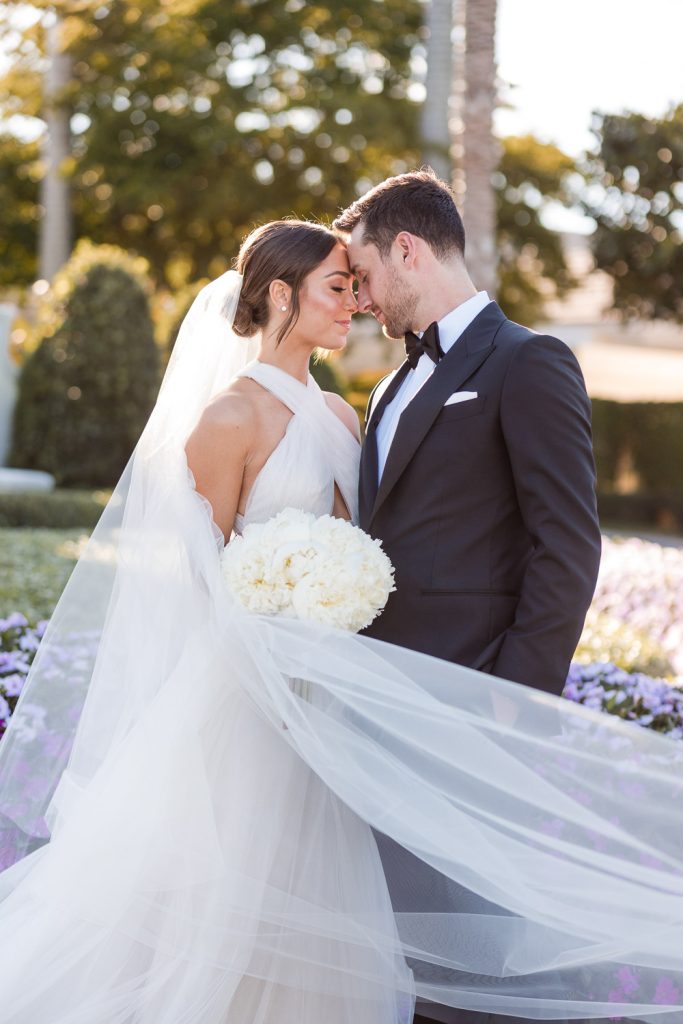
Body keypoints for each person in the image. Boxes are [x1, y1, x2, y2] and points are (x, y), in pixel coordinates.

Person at [0, 217, 681, 1024]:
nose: (355, 303)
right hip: (253, 704)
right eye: (337, 286)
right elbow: (192, 581)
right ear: (280, 295)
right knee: (238, 909)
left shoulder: (348, 412)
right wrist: (271, 648)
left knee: (339, 920)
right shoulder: (226, 421)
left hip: (351, 700)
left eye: (357, 284)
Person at [333, 168, 603, 1024]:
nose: (362, 300)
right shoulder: (384, 387)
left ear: (406, 249)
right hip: (378, 709)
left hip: (476, 707)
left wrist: (510, 700)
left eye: (366, 276)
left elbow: (566, 543)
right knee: (408, 948)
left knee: (481, 956)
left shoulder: (528, 361)